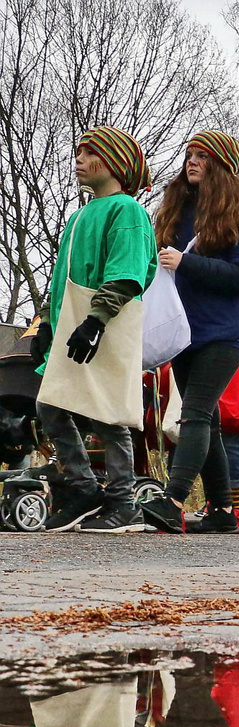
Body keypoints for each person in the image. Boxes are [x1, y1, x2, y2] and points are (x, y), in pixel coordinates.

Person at [141, 131, 239, 534]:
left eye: (202, 156)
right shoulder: (177, 213)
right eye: (189, 155)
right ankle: (222, 512)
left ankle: (172, 499)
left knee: (193, 414)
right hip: (182, 332)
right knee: (207, 420)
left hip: (225, 334)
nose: (191, 161)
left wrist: (185, 263)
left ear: (222, 165)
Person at [32, 126, 157, 533]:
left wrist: (95, 320)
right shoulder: (78, 216)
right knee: (50, 403)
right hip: (74, 322)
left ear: (114, 162)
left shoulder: (128, 211)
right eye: (79, 152)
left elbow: (126, 271)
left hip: (104, 322)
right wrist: (48, 324)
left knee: (106, 408)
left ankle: (124, 502)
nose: (79, 160)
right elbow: (60, 277)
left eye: (88, 153)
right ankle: (84, 489)